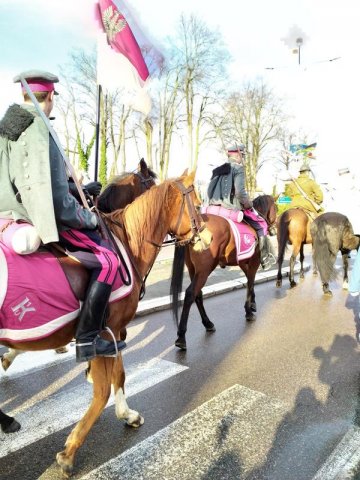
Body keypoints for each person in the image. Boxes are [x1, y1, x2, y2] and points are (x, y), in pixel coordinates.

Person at [0, 69, 124, 362]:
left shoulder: (8, 127)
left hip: (3, 219)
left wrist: (76, 186)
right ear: (51, 95)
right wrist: (88, 218)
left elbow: (26, 179)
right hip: (29, 220)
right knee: (108, 262)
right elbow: (53, 200)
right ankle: (87, 340)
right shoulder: (39, 128)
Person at [207, 143, 275, 270]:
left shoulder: (217, 170)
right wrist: (248, 204)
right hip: (231, 208)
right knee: (261, 225)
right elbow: (239, 193)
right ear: (237, 154)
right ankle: (265, 258)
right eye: (242, 155)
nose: (242, 157)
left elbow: (209, 191)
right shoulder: (238, 169)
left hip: (212, 209)